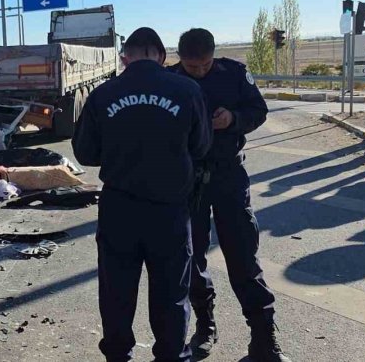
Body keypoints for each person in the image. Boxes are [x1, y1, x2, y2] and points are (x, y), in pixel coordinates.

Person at [73, 28, 211, 362]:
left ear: (125, 57)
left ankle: (119, 356)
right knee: (171, 296)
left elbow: (85, 153)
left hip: (119, 209)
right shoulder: (187, 90)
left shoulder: (103, 94)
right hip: (170, 211)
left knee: (117, 293)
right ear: (162, 56)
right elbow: (202, 145)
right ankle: (171, 355)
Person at [169, 28, 291, 362]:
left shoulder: (234, 73)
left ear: (213, 55)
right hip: (187, 180)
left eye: (205, 65)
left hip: (228, 175)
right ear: (180, 59)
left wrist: (233, 119)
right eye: (192, 67)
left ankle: (263, 339)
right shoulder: (169, 80)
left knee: (242, 255)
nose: (199, 71)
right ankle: (205, 327)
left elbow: (258, 110)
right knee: (190, 259)